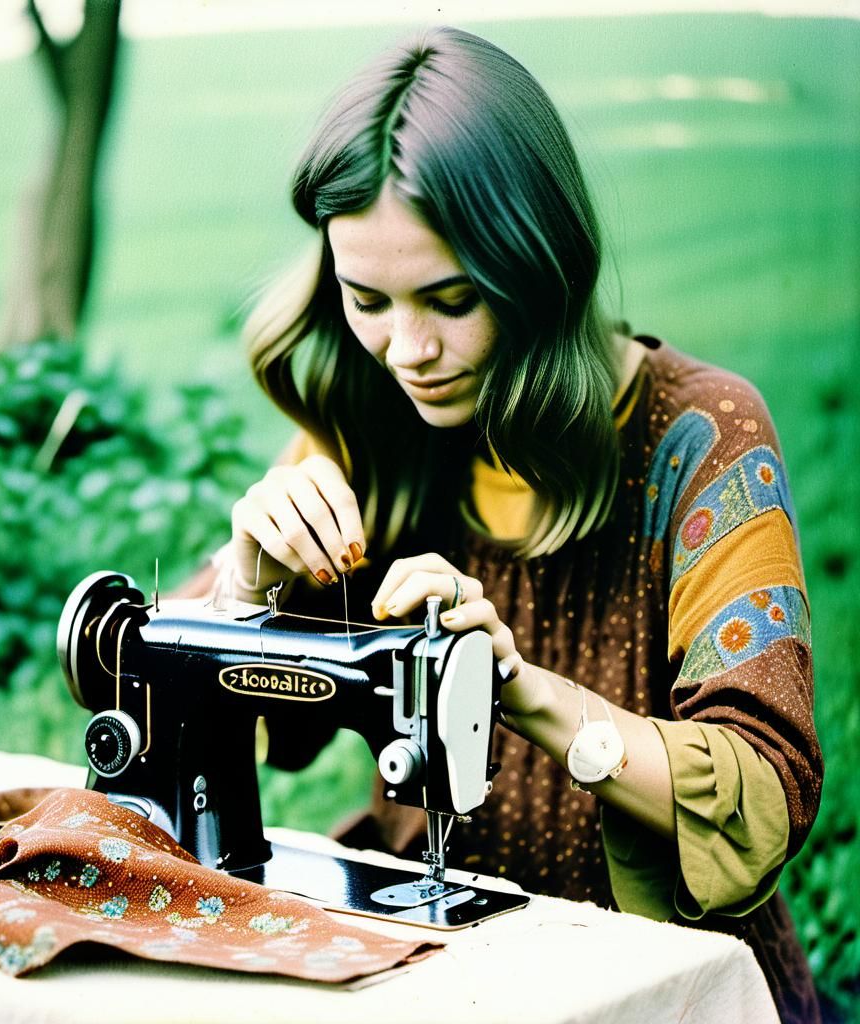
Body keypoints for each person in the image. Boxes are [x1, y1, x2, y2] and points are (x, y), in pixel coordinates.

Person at [186, 26, 822, 1023]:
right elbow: (149, 688)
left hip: (659, 984)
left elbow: (761, 798)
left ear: (537, 266)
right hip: (433, 971)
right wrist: (248, 590)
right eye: (367, 299)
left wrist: (517, 690)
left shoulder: (699, 439)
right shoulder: (375, 424)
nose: (410, 348)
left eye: (451, 298)